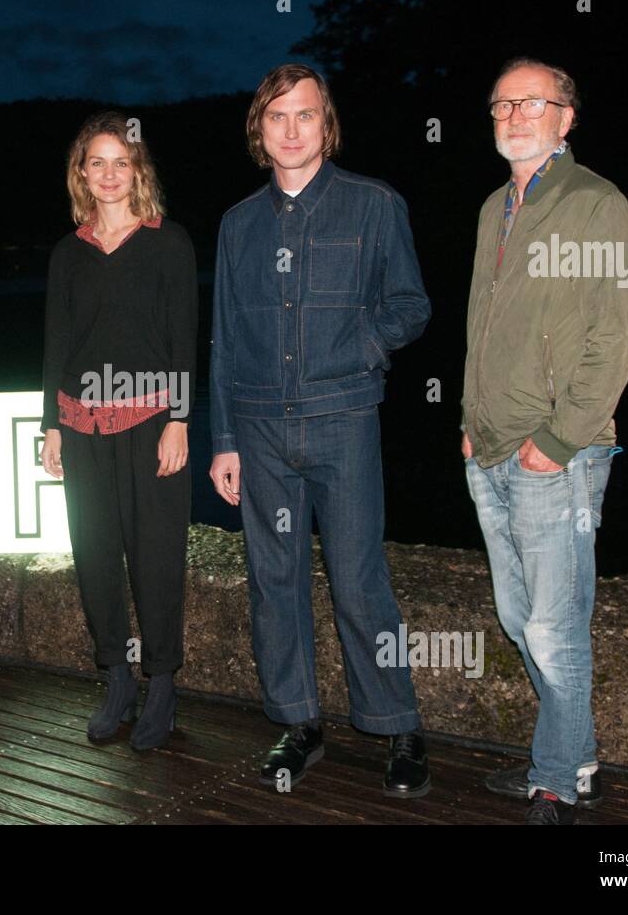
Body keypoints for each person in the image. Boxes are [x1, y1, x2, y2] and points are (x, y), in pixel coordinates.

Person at [208, 64, 432, 794]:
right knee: (275, 580)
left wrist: (360, 349)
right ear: (259, 130)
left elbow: (410, 304)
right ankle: (299, 722)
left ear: (326, 124)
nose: (292, 129)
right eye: (277, 117)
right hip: (261, 428)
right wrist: (224, 438)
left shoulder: (374, 205)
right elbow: (223, 337)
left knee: (360, 578)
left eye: (306, 115)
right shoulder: (238, 224)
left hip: (343, 421)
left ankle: (400, 725)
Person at [461, 58, 628, 824]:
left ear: (567, 117)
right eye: (502, 103)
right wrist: (470, 422)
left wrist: (560, 438)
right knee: (518, 615)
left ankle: (557, 782)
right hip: (491, 446)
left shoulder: (597, 203)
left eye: (531, 102)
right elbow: (483, 324)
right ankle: (576, 753)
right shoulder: (492, 207)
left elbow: (619, 333)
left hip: (555, 454)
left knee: (552, 624)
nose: (513, 115)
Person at [40, 111, 198, 751]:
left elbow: (183, 338)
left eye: (120, 162)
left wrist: (180, 421)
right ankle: (117, 679)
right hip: (82, 430)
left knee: (156, 558)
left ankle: (162, 683)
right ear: (82, 172)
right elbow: (55, 343)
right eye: (96, 162)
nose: (109, 174)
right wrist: (52, 427)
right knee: (96, 555)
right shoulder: (67, 253)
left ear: (138, 171)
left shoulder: (168, 243)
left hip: (151, 425)